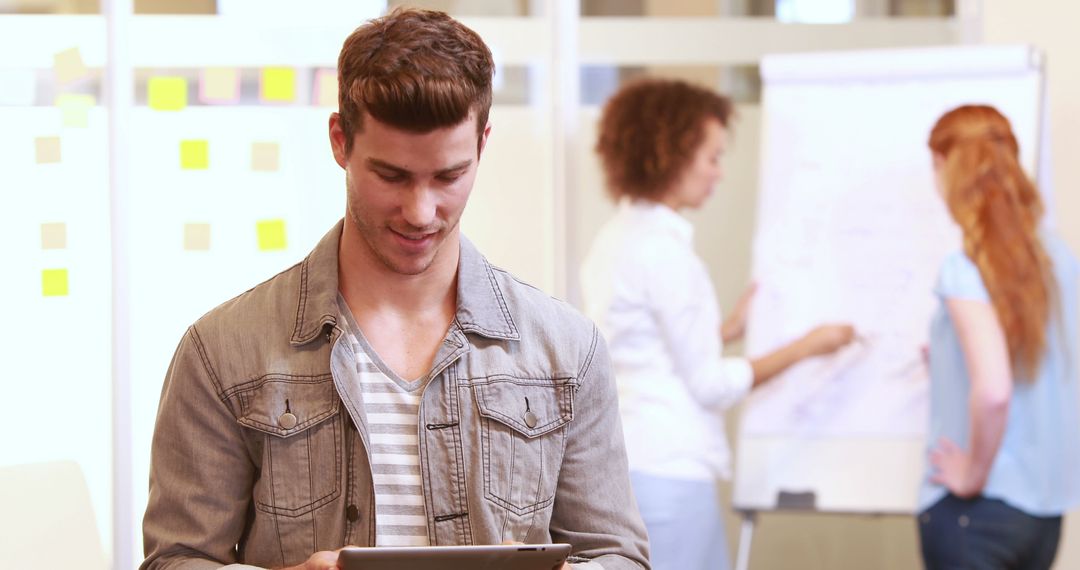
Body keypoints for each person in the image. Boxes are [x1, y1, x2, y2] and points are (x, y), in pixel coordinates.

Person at [141, 9, 649, 570]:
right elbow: (176, 559)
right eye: (392, 176)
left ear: (483, 143)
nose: (420, 212)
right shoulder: (223, 351)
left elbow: (617, 556)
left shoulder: (567, 350)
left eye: (448, 177)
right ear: (340, 142)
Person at [579, 78, 855, 570]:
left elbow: (641, 344)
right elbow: (710, 384)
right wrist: (807, 347)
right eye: (712, 157)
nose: (719, 173)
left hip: (632, 463)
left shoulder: (617, 238)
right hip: (671, 473)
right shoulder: (665, 253)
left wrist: (726, 330)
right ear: (671, 155)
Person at [917, 105, 1080, 569]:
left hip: (976, 512)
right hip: (1042, 516)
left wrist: (971, 474)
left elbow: (993, 391)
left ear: (947, 167)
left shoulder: (964, 266)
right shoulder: (1058, 260)